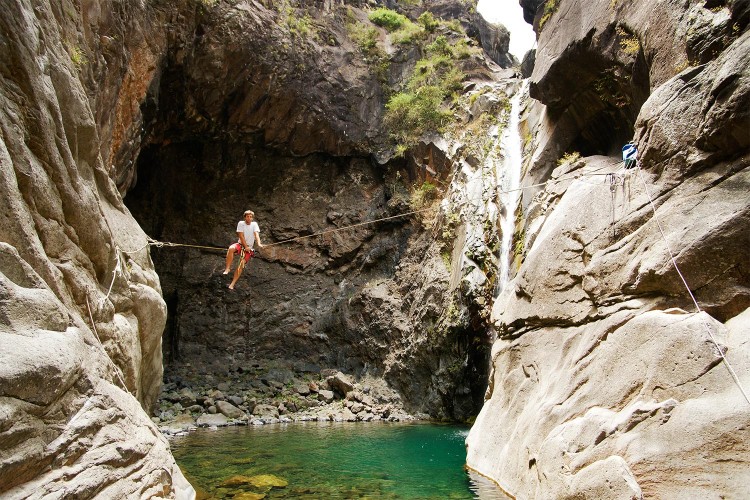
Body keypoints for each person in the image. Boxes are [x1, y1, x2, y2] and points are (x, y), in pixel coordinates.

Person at [224, 210, 264, 289]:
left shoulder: (254, 224)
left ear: (252, 218)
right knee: (231, 248)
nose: (249, 218)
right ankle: (227, 268)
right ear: (245, 217)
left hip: (249, 248)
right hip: (241, 244)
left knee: (241, 264)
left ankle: (232, 284)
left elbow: (256, 235)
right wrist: (245, 246)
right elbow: (241, 236)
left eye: (250, 217)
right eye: (247, 216)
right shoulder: (241, 223)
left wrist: (259, 243)